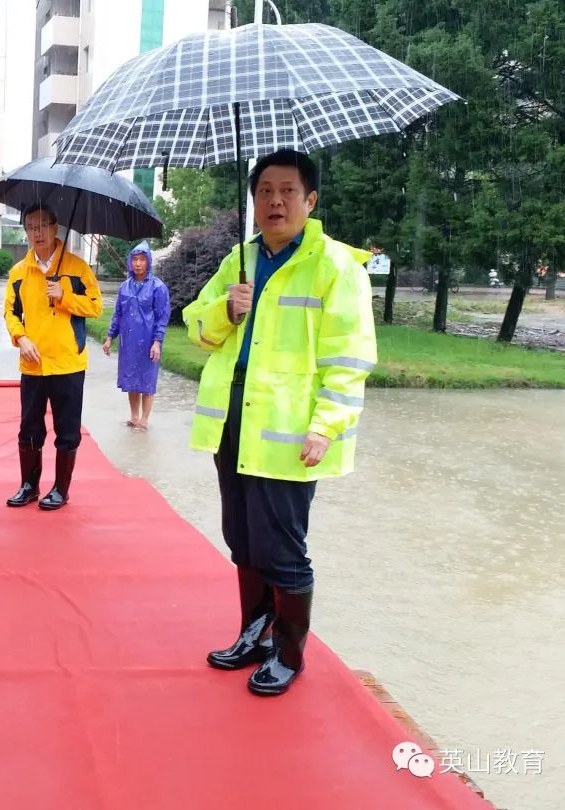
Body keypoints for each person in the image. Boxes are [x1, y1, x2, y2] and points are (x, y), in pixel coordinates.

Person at [183, 149, 377, 696]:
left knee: (283, 548)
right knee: (241, 539)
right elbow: (195, 326)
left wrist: (327, 424)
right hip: (232, 420)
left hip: (291, 432)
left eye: (287, 190)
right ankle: (255, 633)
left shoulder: (336, 266)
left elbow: (350, 357)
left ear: (310, 200)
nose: (275, 201)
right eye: (265, 190)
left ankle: (289, 653)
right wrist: (225, 308)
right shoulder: (239, 261)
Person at [3, 205, 103, 510]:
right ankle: (29, 485)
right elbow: (10, 312)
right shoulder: (19, 272)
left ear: (55, 228)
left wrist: (65, 295)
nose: (37, 233)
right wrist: (21, 338)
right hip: (33, 364)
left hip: (67, 363)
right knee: (29, 428)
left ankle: (61, 489)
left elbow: (96, 306)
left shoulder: (77, 268)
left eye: (43, 226)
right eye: (31, 227)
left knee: (67, 429)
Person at [102, 241, 170, 431]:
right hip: (129, 341)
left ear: (148, 262)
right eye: (135, 260)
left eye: (142, 259)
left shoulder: (158, 287)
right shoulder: (125, 287)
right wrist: (109, 337)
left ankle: (145, 419)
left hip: (149, 340)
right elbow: (118, 313)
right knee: (132, 379)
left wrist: (157, 341)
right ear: (130, 262)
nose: (138, 263)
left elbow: (162, 316)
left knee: (147, 379)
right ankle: (133, 416)